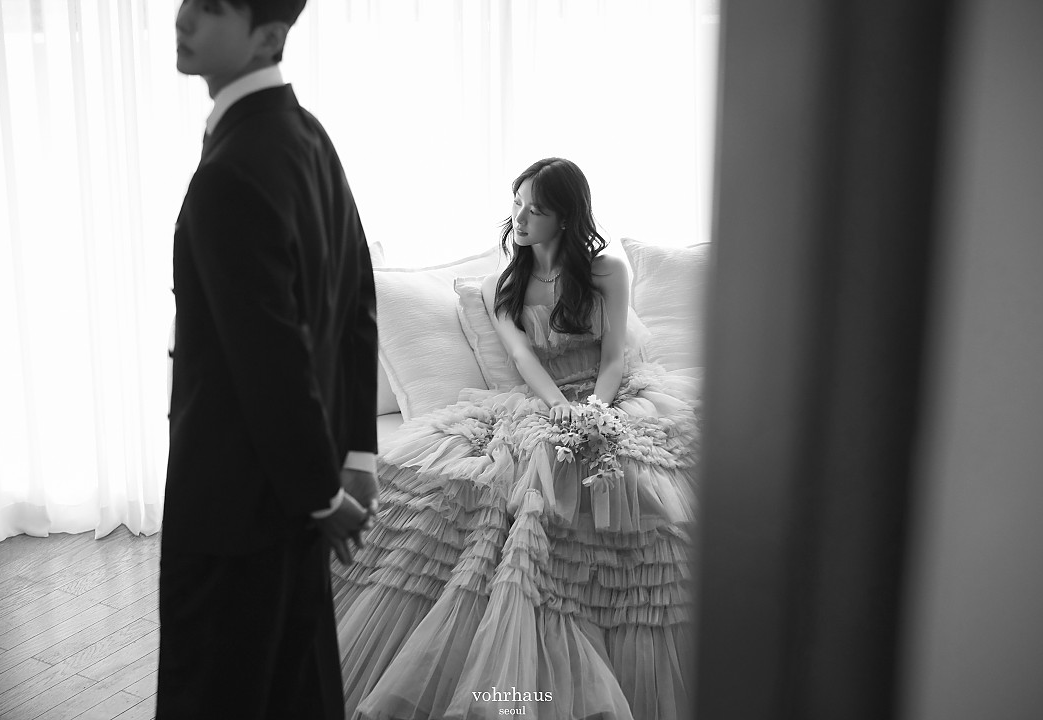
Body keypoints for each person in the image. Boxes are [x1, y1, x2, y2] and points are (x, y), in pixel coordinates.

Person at [331, 158, 698, 720]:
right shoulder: (499, 283)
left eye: (536, 208)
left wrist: (596, 412)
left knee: (629, 480)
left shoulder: (606, 271)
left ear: (566, 217)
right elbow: (524, 357)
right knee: (487, 494)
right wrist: (560, 410)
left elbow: (614, 356)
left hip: (613, 394)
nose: (520, 217)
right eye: (517, 203)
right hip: (540, 400)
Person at [158, 1, 379, 718]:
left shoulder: (231, 169)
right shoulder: (309, 135)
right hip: (294, 502)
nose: (184, 18)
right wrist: (355, 456)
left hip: (232, 509)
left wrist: (323, 495)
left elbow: (269, 359)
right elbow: (359, 300)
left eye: (211, 8)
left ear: (269, 37)